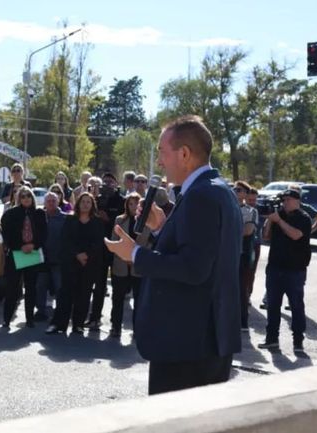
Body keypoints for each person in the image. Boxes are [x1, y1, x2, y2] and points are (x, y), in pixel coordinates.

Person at [105, 115, 242, 395]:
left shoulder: (201, 196)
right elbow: (202, 253)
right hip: (204, 339)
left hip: (187, 344)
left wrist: (135, 253)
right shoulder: (219, 190)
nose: (160, 161)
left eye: (162, 152)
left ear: (184, 154)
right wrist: (161, 228)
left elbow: (193, 269)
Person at [257, 188, 312, 354]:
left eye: (288, 200)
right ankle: (271, 339)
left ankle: (298, 342)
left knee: (296, 306)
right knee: (273, 305)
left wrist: (279, 221)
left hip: (294, 270)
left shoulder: (303, 218)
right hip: (275, 268)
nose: (285, 203)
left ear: (297, 201)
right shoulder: (279, 215)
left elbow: (296, 235)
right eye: (283, 200)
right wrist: (270, 220)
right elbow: (266, 237)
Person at [46, 192, 103, 335]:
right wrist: (77, 254)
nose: (85, 204)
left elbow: (98, 242)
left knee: (84, 294)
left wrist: (86, 255)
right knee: (65, 293)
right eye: (83, 201)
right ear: (78, 203)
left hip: (88, 264)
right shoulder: (70, 219)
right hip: (70, 262)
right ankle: (58, 324)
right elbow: (65, 240)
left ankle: (78, 324)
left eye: (88, 202)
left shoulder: (97, 222)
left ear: (92, 205)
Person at [1, 185, 47, 328]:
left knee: (31, 288)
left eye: (28, 196)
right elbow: (6, 234)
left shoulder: (39, 213)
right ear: (18, 199)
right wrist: (19, 246)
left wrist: (34, 245)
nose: (26, 198)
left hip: (33, 252)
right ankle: (7, 319)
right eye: (23, 196)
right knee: (12, 288)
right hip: (16, 253)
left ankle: (29, 319)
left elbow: (44, 233)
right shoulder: (11, 214)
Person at [109, 193, 150, 338]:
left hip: (138, 265)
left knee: (139, 300)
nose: (133, 207)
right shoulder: (119, 220)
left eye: (136, 204)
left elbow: (150, 243)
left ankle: (137, 329)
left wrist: (136, 256)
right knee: (117, 298)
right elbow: (114, 241)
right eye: (130, 204)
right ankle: (115, 326)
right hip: (121, 265)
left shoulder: (147, 221)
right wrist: (124, 255)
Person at [87, 172, 124, 330]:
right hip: (100, 249)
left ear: (116, 184)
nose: (107, 184)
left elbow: (123, 224)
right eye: (105, 181)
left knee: (118, 288)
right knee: (99, 285)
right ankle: (95, 318)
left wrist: (108, 219)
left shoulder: (121, 201)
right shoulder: (96, 200)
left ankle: (116, 324)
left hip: (116, 248)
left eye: (110, 181)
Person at [35, 192, 66, 321]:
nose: (51, 203)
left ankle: (60, 313)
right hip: (41, 258)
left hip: (58, 259)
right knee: (40, 286)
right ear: (44, 203)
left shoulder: (65, 218)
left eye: (54, 200)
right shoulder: (39, 217)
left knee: (60, 287)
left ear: (58, 202)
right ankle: (40, 311)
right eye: (48, 201)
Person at [234, 181, 257, 331]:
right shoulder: (225, 207)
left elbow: (247, 230)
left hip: (242, 255)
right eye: (234, 189)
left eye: (239, 190)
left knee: (241, 289)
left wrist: (226, 232)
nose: (235, 192)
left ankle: (243, 322)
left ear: (245, 194)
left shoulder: (250, 211)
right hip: (225, 255)